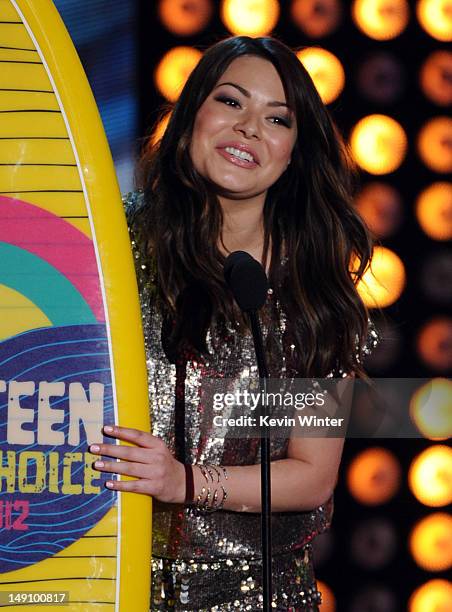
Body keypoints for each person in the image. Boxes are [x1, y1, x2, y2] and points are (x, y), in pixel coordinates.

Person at [90, 36, 378, 611]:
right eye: (230, 102)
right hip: (105, 574)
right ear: (192, 113)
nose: (249, 128)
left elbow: (310, 474)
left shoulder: (312, 287)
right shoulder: (105, 246)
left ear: (294, 151)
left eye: (277, 118)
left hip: (257, 594)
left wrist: (184, 483)